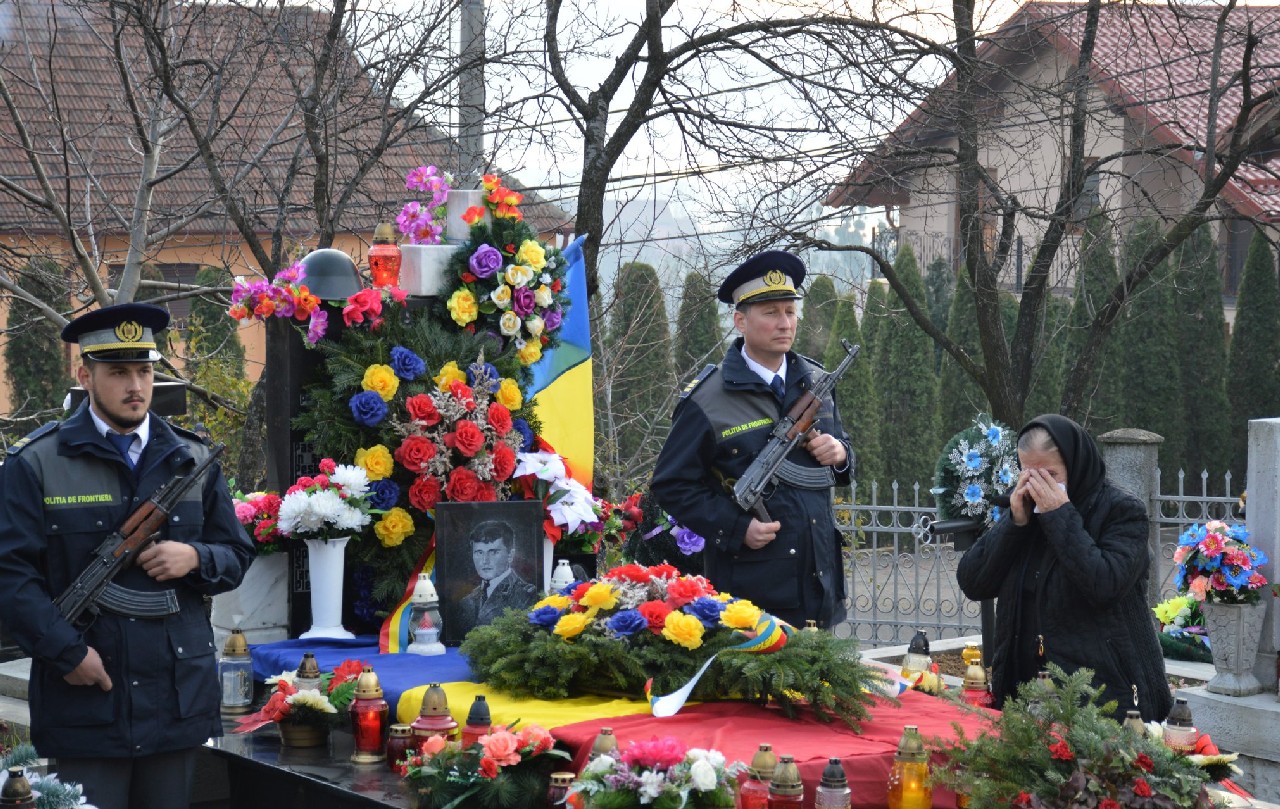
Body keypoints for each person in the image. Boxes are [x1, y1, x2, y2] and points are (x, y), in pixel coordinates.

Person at [0, 303, 255, 809]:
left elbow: (236, 554)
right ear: (85, 375)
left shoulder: (193, 457)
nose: (136, 386)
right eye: (118, 372)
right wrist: (66, 654)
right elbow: (10, 574)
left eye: (144, 370)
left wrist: (196, 557)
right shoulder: (37, 463)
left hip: (173, 700)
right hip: (87, 698)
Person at [651, 251, 852, 628]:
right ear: (740, 320)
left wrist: (840, 455)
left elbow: (843, 459)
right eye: (771, 312)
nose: (784, 323)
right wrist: (736, 526)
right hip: (750, 596)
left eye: (790, 312)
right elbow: (671, 484)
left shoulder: (817, 381)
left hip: (820, 585)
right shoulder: (707, 400)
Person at [955, 414, 1172, 721]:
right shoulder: (1024, 512)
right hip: (1024, 697)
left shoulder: (1121, 511)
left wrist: (1059, 515)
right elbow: (974, 582)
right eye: (1029, 476)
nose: (1038, 487)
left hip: (1104, 700)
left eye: (1050, 475)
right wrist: (1014, 525)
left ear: (1075, 463)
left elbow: (1104, 585)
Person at [455, 519, 537, 636]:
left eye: (493, 552)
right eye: (479, 552)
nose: (485, 561)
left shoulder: (527, 596)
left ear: (510, 555)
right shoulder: (466, 602)